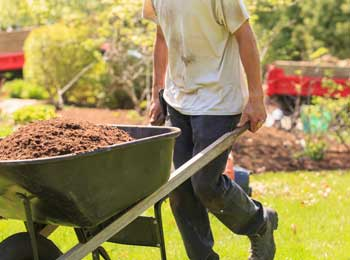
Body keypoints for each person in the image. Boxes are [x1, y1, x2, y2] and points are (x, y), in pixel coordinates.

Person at [143, 1, 278, 259]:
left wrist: (256, 98)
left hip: (218, 99)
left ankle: (260, 223)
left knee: (205, 184)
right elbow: (162, 37)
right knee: (181, 190)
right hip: (178, 98)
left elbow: (245, 35)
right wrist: (156, 93)